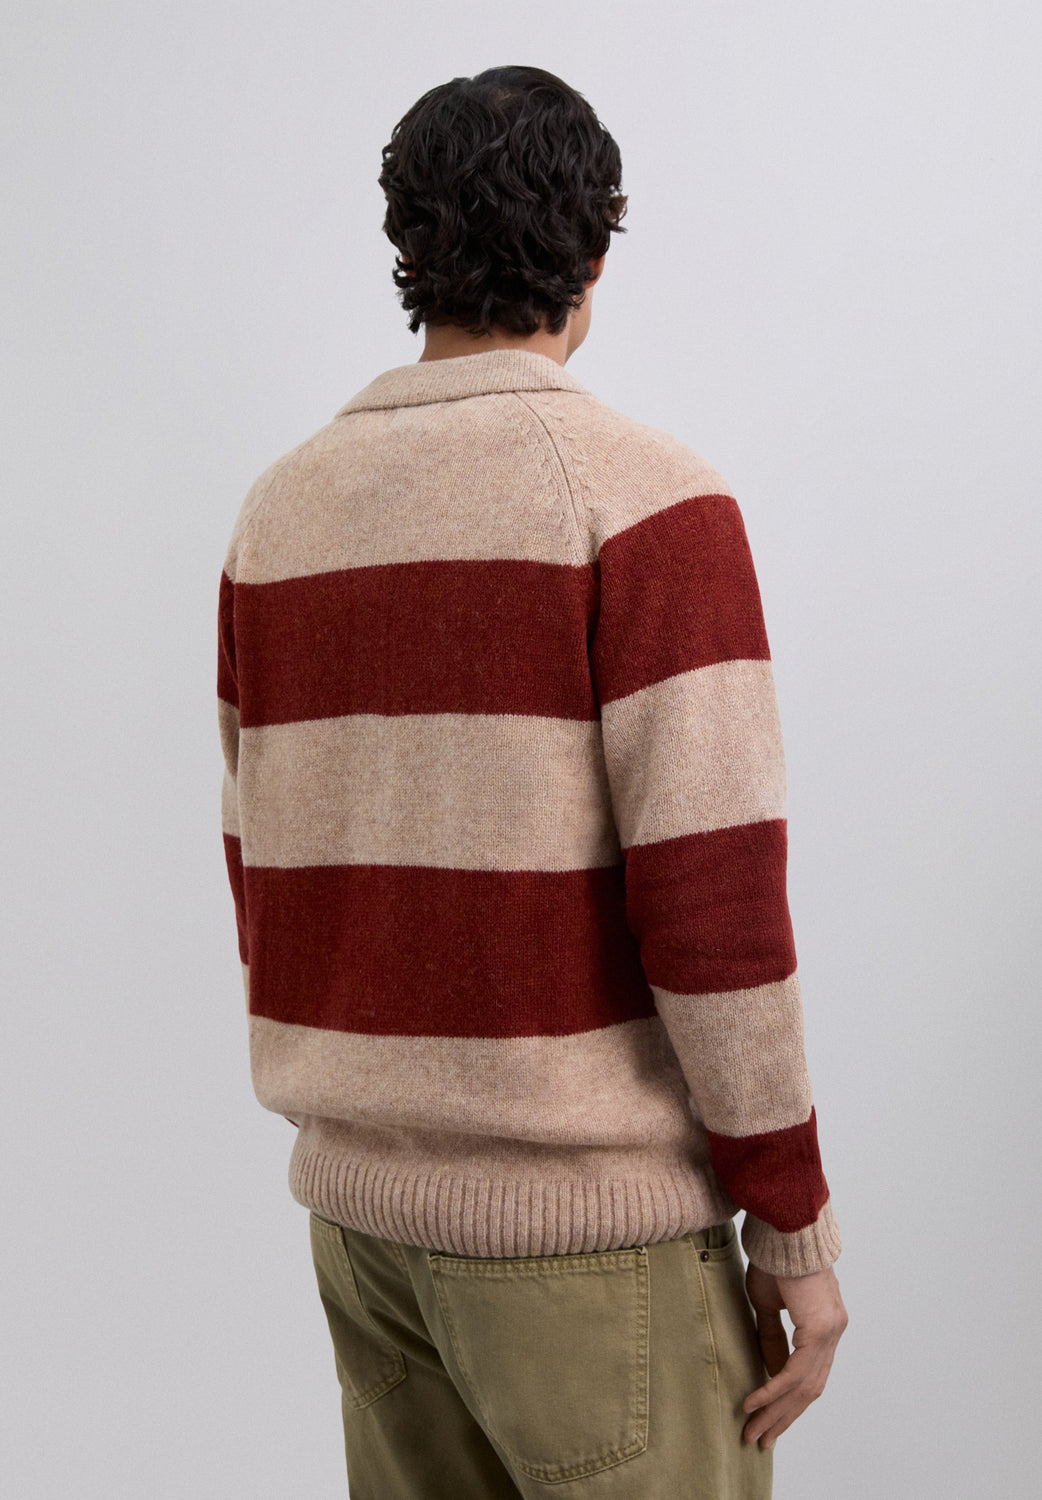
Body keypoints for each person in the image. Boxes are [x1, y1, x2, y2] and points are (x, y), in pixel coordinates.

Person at [217, 64, 847, 1499]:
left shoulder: (278, 512)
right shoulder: (645, 501)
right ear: (595, 248)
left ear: (406, 243)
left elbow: (262, 864)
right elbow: (715, 910)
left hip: (364, 1235)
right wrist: (793, 1228)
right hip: (589, 1246)